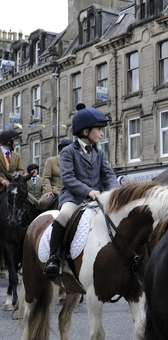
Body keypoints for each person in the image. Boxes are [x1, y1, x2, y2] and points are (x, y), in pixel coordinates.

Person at [43, 103, 118, 278]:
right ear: (86, 132)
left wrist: (115, 192)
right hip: (74, 197)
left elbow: (108, 175)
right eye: (99, 129)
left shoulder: (100, 153)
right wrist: (88, 191)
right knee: (63, 215)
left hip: (97, 198)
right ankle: (54, 257)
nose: (101, 133)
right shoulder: (69, 152)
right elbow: (68, 178)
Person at [38, 138, 73, 211]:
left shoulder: (76, 161)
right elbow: (46, 178)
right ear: (61, 149)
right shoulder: (51, 161)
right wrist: (48, 190)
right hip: (55, 191)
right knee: (42, 202)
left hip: (72, 191)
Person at [0, 129, 25, 193]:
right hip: (0, 187)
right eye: (16, 141)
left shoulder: (17, 156)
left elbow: (21, 170)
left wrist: (15, 179)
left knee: (33, 201)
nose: (17, 143)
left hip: (14, 187)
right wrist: (2, 180)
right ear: (9, 142)